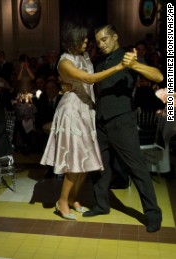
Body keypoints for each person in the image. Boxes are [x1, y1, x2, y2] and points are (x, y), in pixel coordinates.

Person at [40, 24, 127, 220]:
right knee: (74, 159)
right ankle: (61, 201)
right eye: (84, 40)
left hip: (87, 110)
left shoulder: (84, 56)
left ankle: (72, 198)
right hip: (72, 110)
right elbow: (88, 79)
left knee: (86, 161)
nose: (88, 42)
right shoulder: (64, 61)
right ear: (73, 41)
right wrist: (119, 67)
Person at [83, 24, 163, 233]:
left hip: (122, 121)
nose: (101, 44)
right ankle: (101, 205)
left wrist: (135, 65)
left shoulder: (128, 57)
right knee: (99, 167)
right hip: (100, 123)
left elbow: (158, 76)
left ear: (115, 37)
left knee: (136, 168)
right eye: (98, 41)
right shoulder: (99, 62)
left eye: (104, 39)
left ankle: (153, 213)